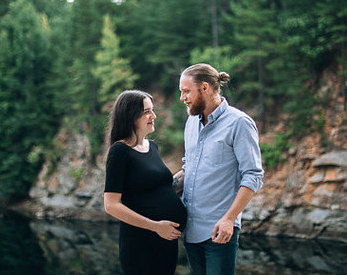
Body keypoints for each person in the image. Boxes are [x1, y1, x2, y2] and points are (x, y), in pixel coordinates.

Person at [175, 63, 264, 275]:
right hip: (190, 230)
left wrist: (229, 219)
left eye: (186, 91)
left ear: (204, 88)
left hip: (219, 231)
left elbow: (253, 176)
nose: (182, 97)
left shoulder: (239, 123)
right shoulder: (191, 122)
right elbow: (190, 167)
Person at [104, 90, 187, 275]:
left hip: (166, 240)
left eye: (152, 110)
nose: (154, 116)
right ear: (131, 116)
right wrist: (156, 226)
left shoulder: (152, 146)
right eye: (147, 112)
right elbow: (111, 205)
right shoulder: (120, 151)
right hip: (141, 243)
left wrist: (189, 172)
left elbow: (159, 187)